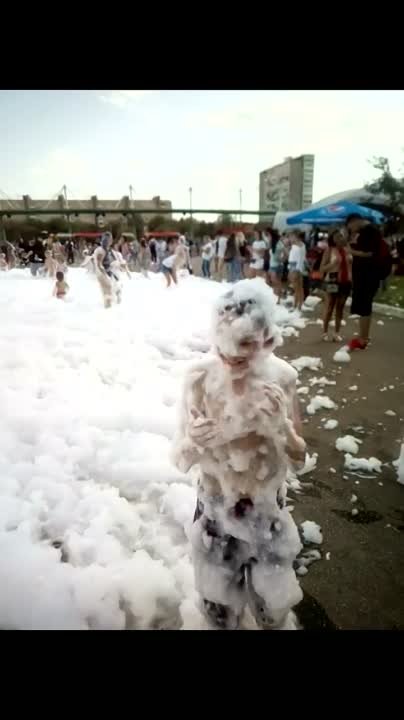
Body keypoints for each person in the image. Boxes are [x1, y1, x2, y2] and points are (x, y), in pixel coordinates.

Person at [172, 278, 306, 630]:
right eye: (224, 340)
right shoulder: (199, 379)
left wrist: (280, 428)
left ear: (267, 339)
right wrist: (195, 440)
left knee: (272, 612)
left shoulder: (283, 378)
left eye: (246, 343)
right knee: (219, 613)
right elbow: (180, 459)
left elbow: (300, 459)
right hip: (215, 511)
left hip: (267, 511)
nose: (232, 353)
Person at [346, 213, 384, 351]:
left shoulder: (370, 232)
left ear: (355, 221)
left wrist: (352, 252)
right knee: (364, 306)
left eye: (350, 226)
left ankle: (363, 339)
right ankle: (363, 336)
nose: (350, 230)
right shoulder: (363, 232)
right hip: (363, 275)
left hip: (369, 275)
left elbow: (369, 253)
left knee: (364, 306)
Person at [319, 228, 352, 342]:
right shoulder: (329, 250)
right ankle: (324, 332)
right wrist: (333, 264)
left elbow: (351, 265)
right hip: (332, 280)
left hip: (346, 281)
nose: (340, 238)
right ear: (332, 240)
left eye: (341, 236)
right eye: (337, 236)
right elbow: (322, 268)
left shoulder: (347, 249)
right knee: (330, 307)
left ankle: (336, 333)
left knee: (340, 307)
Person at [93, 232, 120, 308]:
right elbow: (99, 264)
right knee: (107, 290)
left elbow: (105, 264)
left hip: (104, 274)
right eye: (110, 239)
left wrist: (111, 274)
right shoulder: (101, 250)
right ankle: (107, 310)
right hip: (101, 274)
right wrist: (105, 273)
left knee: (109, 290)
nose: (111, 241)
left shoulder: (106, 250)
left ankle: (108, 309)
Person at [288, 232, 306, 310]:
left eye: (291, 237)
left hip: (295, 267)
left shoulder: (297, 246)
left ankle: (297, 304)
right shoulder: (301, 245)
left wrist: (297, 270)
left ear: (295, 237)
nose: (290, 239)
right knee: (299, 287)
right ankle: (299, 304)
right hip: (297, 267)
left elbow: (299, 259)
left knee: (296, 287)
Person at [269, 230, 286, 301]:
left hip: (275, 265)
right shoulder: (278, 243)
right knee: (276, 282)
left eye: (269, 236)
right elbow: (286, 253)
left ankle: (279, 295)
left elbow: (285, 254)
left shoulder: (277, 244)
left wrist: (281, 260)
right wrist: (282, 260)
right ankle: (277, 298)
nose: (268, 237)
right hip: (277, 265)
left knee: (275, 282)